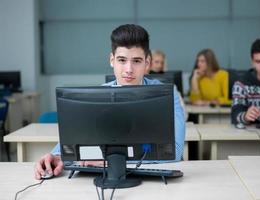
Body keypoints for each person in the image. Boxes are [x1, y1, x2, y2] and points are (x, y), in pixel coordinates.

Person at [34, 24, 186, 180]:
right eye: (122, 60)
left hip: (155, 180)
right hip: (106, 178)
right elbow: (72, 141)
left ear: (147, 63)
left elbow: (175, 150)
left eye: (136, 61)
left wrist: (111, 160)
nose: (129, 69)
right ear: (112, 60)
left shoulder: (167, 94)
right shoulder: (99, 96)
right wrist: (56, 156)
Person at [231, 38, 260, 125]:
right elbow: (235, 115)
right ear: (252, 63)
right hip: (253, 135)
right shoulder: (241, 85)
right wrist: (245, 116)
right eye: (258, 61)